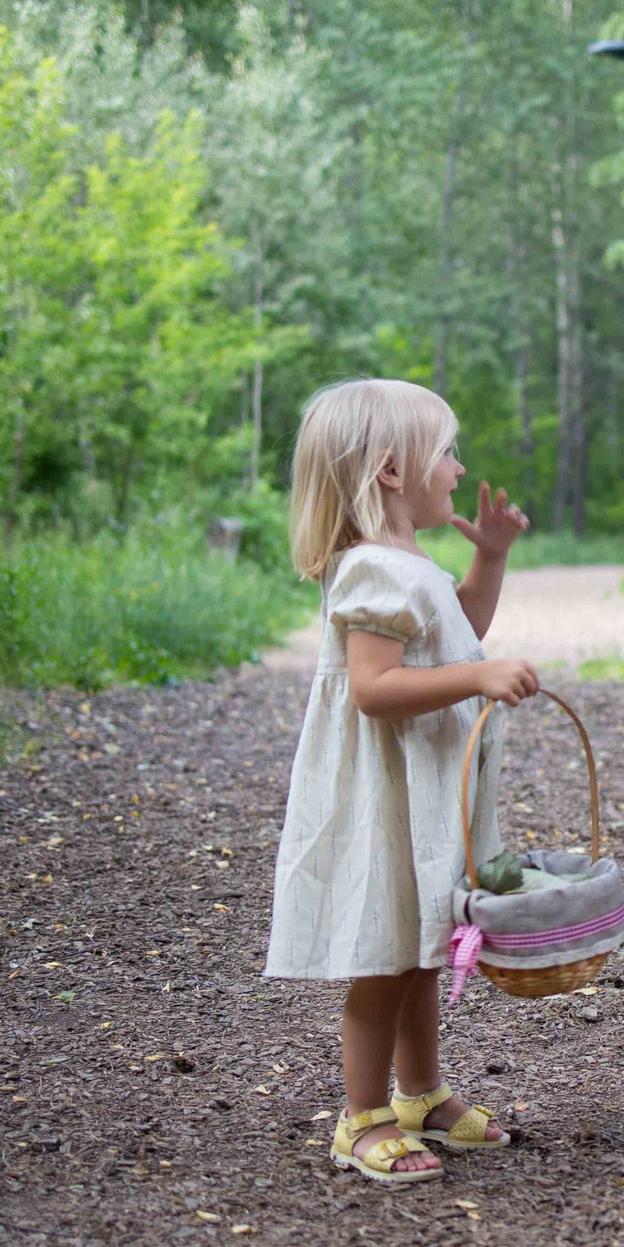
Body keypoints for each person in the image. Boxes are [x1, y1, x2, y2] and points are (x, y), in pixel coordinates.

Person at [266, 378, 538, 1185]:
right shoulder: (371, 570)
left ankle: (422, 1093)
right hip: (386, 796)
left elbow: (461, 629)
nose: (457, 468)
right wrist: (480, 678)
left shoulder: (408, 564)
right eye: (445, 451)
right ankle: (362, 1116)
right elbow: (374, 689)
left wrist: (490, 557)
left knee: (422, 945)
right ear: (391, 470)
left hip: (425, 793)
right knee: (384, 955)